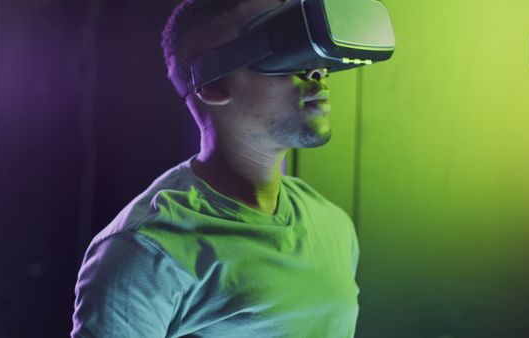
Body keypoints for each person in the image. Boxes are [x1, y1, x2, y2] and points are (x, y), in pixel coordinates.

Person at [71, 0, 360, 336]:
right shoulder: (146, 252)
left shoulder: (333, 225)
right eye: (282, 47)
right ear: (213, 85)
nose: (315, 69)